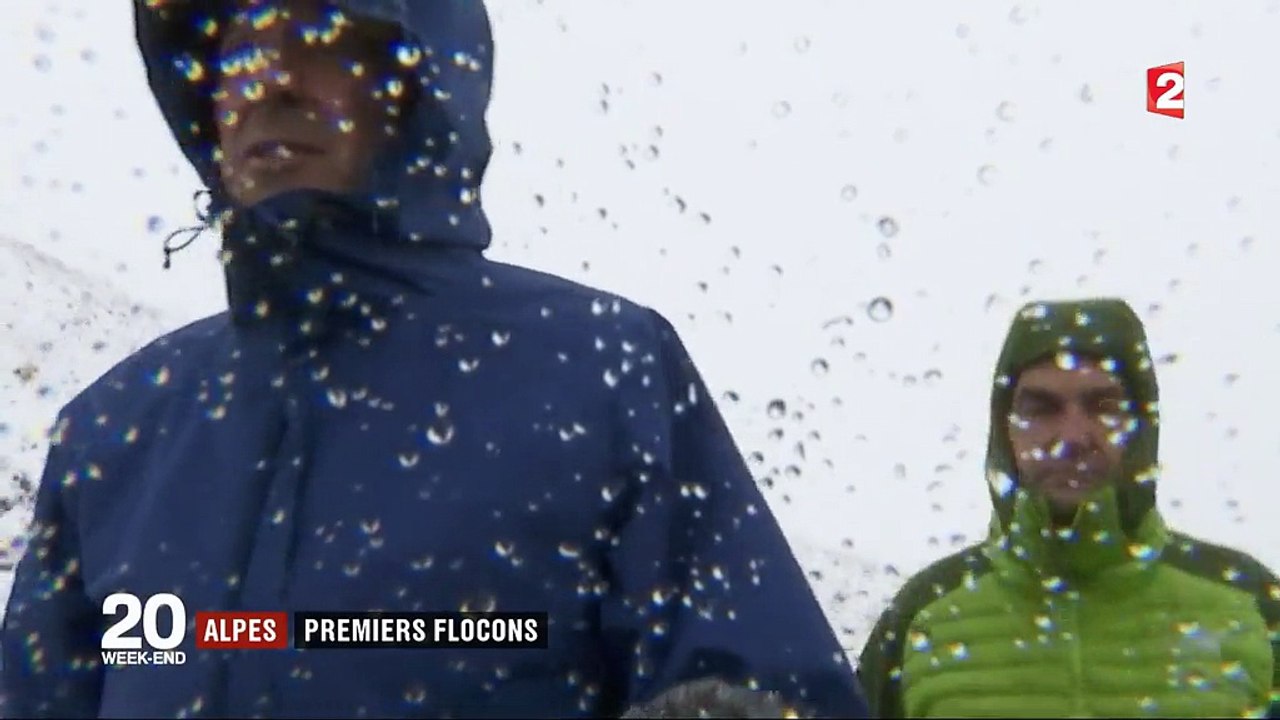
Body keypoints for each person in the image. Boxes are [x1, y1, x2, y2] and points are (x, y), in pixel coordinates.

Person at [0, 1, 869, 717]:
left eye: (318, 37)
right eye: (237, 46)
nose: (271, 82)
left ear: (416, 82)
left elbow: (763, 683)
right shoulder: (116, 432)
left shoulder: (601, 368)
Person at [857, 297, 1279, 718]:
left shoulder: (1247, 602)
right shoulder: (924, 616)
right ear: (1005, 430)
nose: (1073, 436)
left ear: (1141, 426)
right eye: (1041, 409)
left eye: (1103, 407)